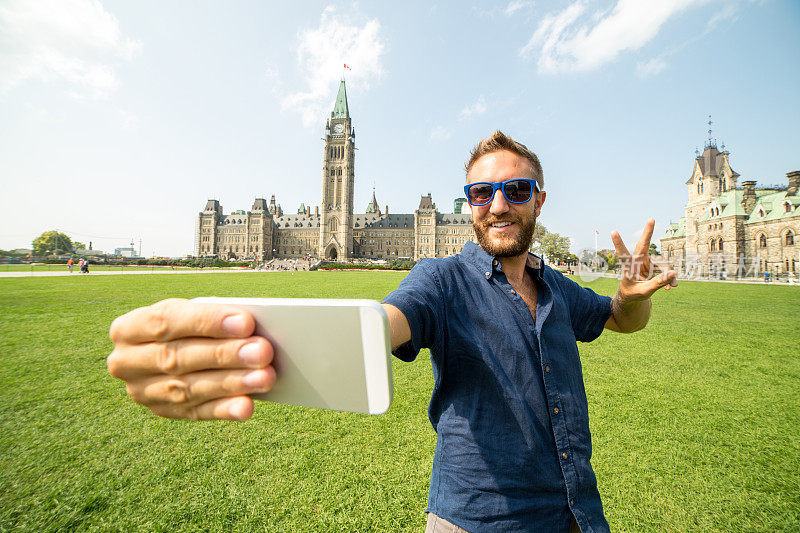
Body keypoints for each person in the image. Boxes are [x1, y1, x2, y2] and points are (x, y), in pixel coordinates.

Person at [107, 131, 677, 533]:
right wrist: (249, 338)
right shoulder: (443, 280)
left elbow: (620, 319)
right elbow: (382, 322)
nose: (498, 203)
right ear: (471, 205)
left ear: (538, 201)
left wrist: (628, 297)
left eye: (516, 190)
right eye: (482, 193)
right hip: (477, 521)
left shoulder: (556, 288)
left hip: (575, 515)